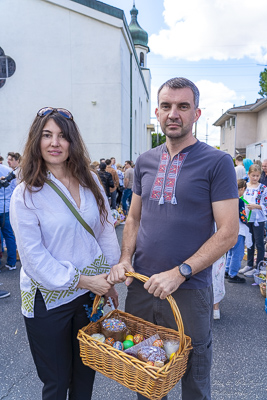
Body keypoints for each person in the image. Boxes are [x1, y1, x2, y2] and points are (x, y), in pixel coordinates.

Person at [108, 77, 238, 400]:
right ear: (157, 111)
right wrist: (125, 259)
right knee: (147, 377)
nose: (173, 113)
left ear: (196, 113)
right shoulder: (145, 162)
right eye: (166, 106)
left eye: (183, 106)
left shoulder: (217, 162)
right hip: (141, 288)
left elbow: (228, 232)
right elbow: (134, 218)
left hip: (189, 293)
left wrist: (180, 272)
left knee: (194, 382)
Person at [10, 107, 120, 400]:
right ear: (37, 140)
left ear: (72, 141)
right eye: (47, 135)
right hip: (48, 300)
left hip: (89, 296)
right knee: (57, 383)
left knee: (85, 374)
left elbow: (106, 228)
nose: (54, 143)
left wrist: (108, 280)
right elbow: (33, 258)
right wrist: (87, 282)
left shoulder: (91, 181)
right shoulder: (26, 193)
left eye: (61, 136)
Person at [239, 164, 267, 277]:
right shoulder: (245, 187)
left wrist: (257, 206)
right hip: (246, 218)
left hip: (258, 220)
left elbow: (265, 204)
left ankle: (259, 267)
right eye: (253, 175)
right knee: (249, 242)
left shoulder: (263, 188)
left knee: (259, 244)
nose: (255, 178)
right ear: (249, 174)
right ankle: (249, 264)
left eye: (257, 176)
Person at [225, 179, 252, 283]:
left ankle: (227, 271)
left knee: (231, 252)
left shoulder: (228, 198)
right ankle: (233, 274)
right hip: (239, 230)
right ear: (242, 189)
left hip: (229, 228)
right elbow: (242, 217)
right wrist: (247, 220)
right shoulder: (239, 200)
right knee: (238, 254)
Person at [0, 163, 17, 271]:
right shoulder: (8, 170)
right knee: (9, 235)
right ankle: (12, 263)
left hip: (4, 207)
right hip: (6, 208)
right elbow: (15, 188)